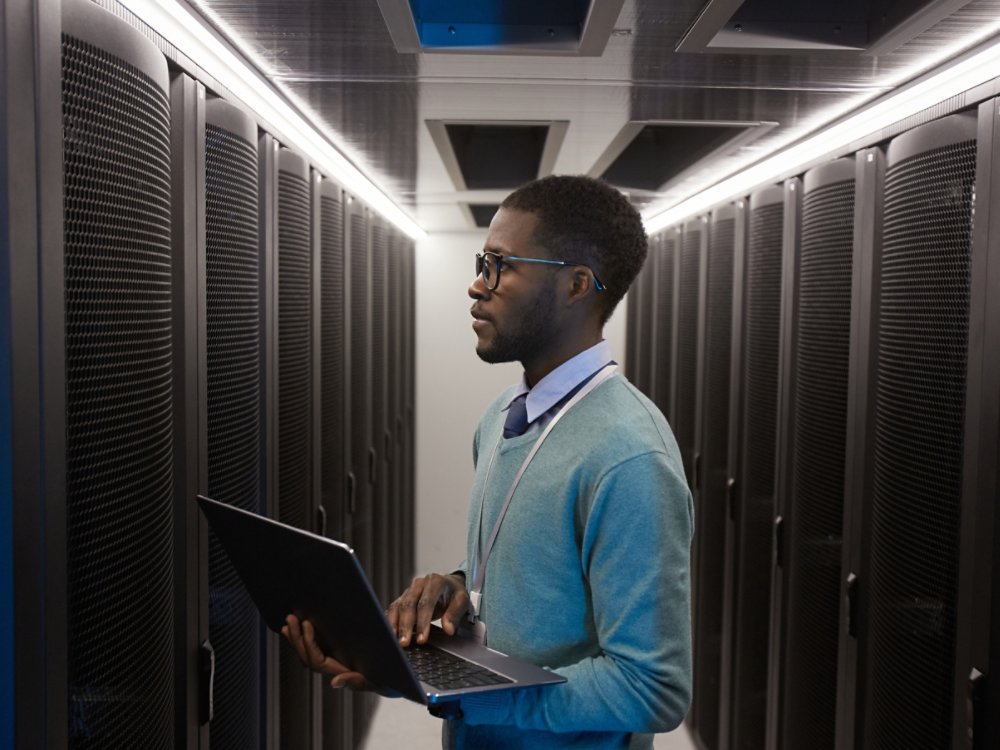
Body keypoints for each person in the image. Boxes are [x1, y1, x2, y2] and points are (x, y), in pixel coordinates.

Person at [284, 174, 693, 748]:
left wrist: (460, 695)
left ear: (577, 284)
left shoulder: (630, 457)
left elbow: (652, 687)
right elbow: (531, 579)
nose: (477, 286)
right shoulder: (503, 413)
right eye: (482, 262)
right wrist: (454, 588)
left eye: (500, 265)